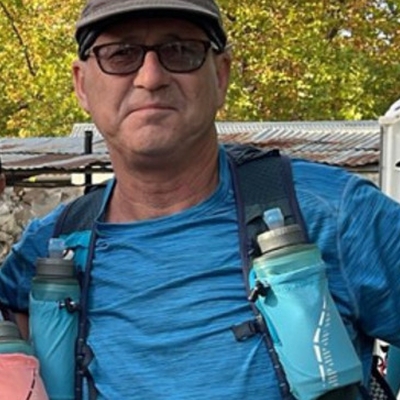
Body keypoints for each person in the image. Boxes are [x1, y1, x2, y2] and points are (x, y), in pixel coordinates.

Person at [1, 0, 400, 399]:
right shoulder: (43, 254)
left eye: (180, 51)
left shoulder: (336, 215)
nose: (151, 77)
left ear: (221, 75)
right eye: (120, 54)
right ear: (81, 85)